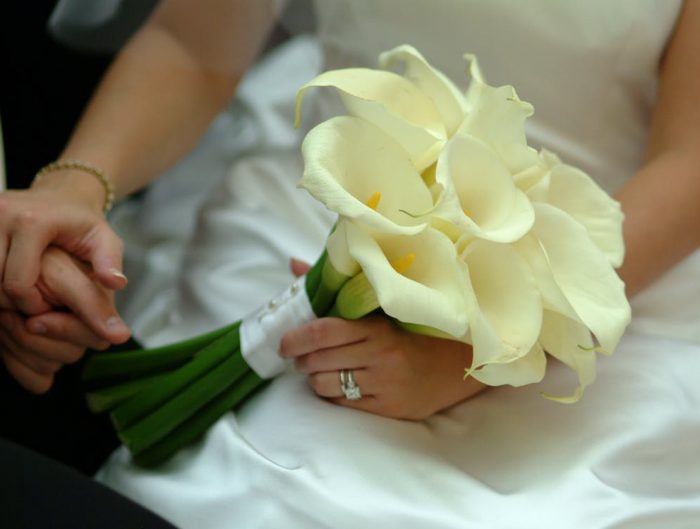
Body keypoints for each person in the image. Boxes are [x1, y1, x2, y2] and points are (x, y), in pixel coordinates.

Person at [1, 0, 699, 527]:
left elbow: (689, 157)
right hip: (329, 200)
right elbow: (193, 45)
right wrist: (77, 186)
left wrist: (486, 345)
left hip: (608, 258)